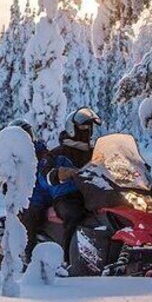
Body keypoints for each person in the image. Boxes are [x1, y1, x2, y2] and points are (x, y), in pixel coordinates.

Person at [41, 107, 103, 265]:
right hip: (67, 196)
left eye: (89, 127)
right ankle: (68, 260)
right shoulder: (58, 153)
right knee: (74, 214)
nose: (87, 130)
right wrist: (57, 174)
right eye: (83, 127)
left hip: (95, 194)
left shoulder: (96, 152)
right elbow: (44, 174)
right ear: (72, 128)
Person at [10, 119, 50, 262]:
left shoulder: (41, 152)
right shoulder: (13, 158)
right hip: (30, 199)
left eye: (29, 134)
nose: (28, 138)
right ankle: (28, 257)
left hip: (47, 193)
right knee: (30, 220)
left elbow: (47, 169)